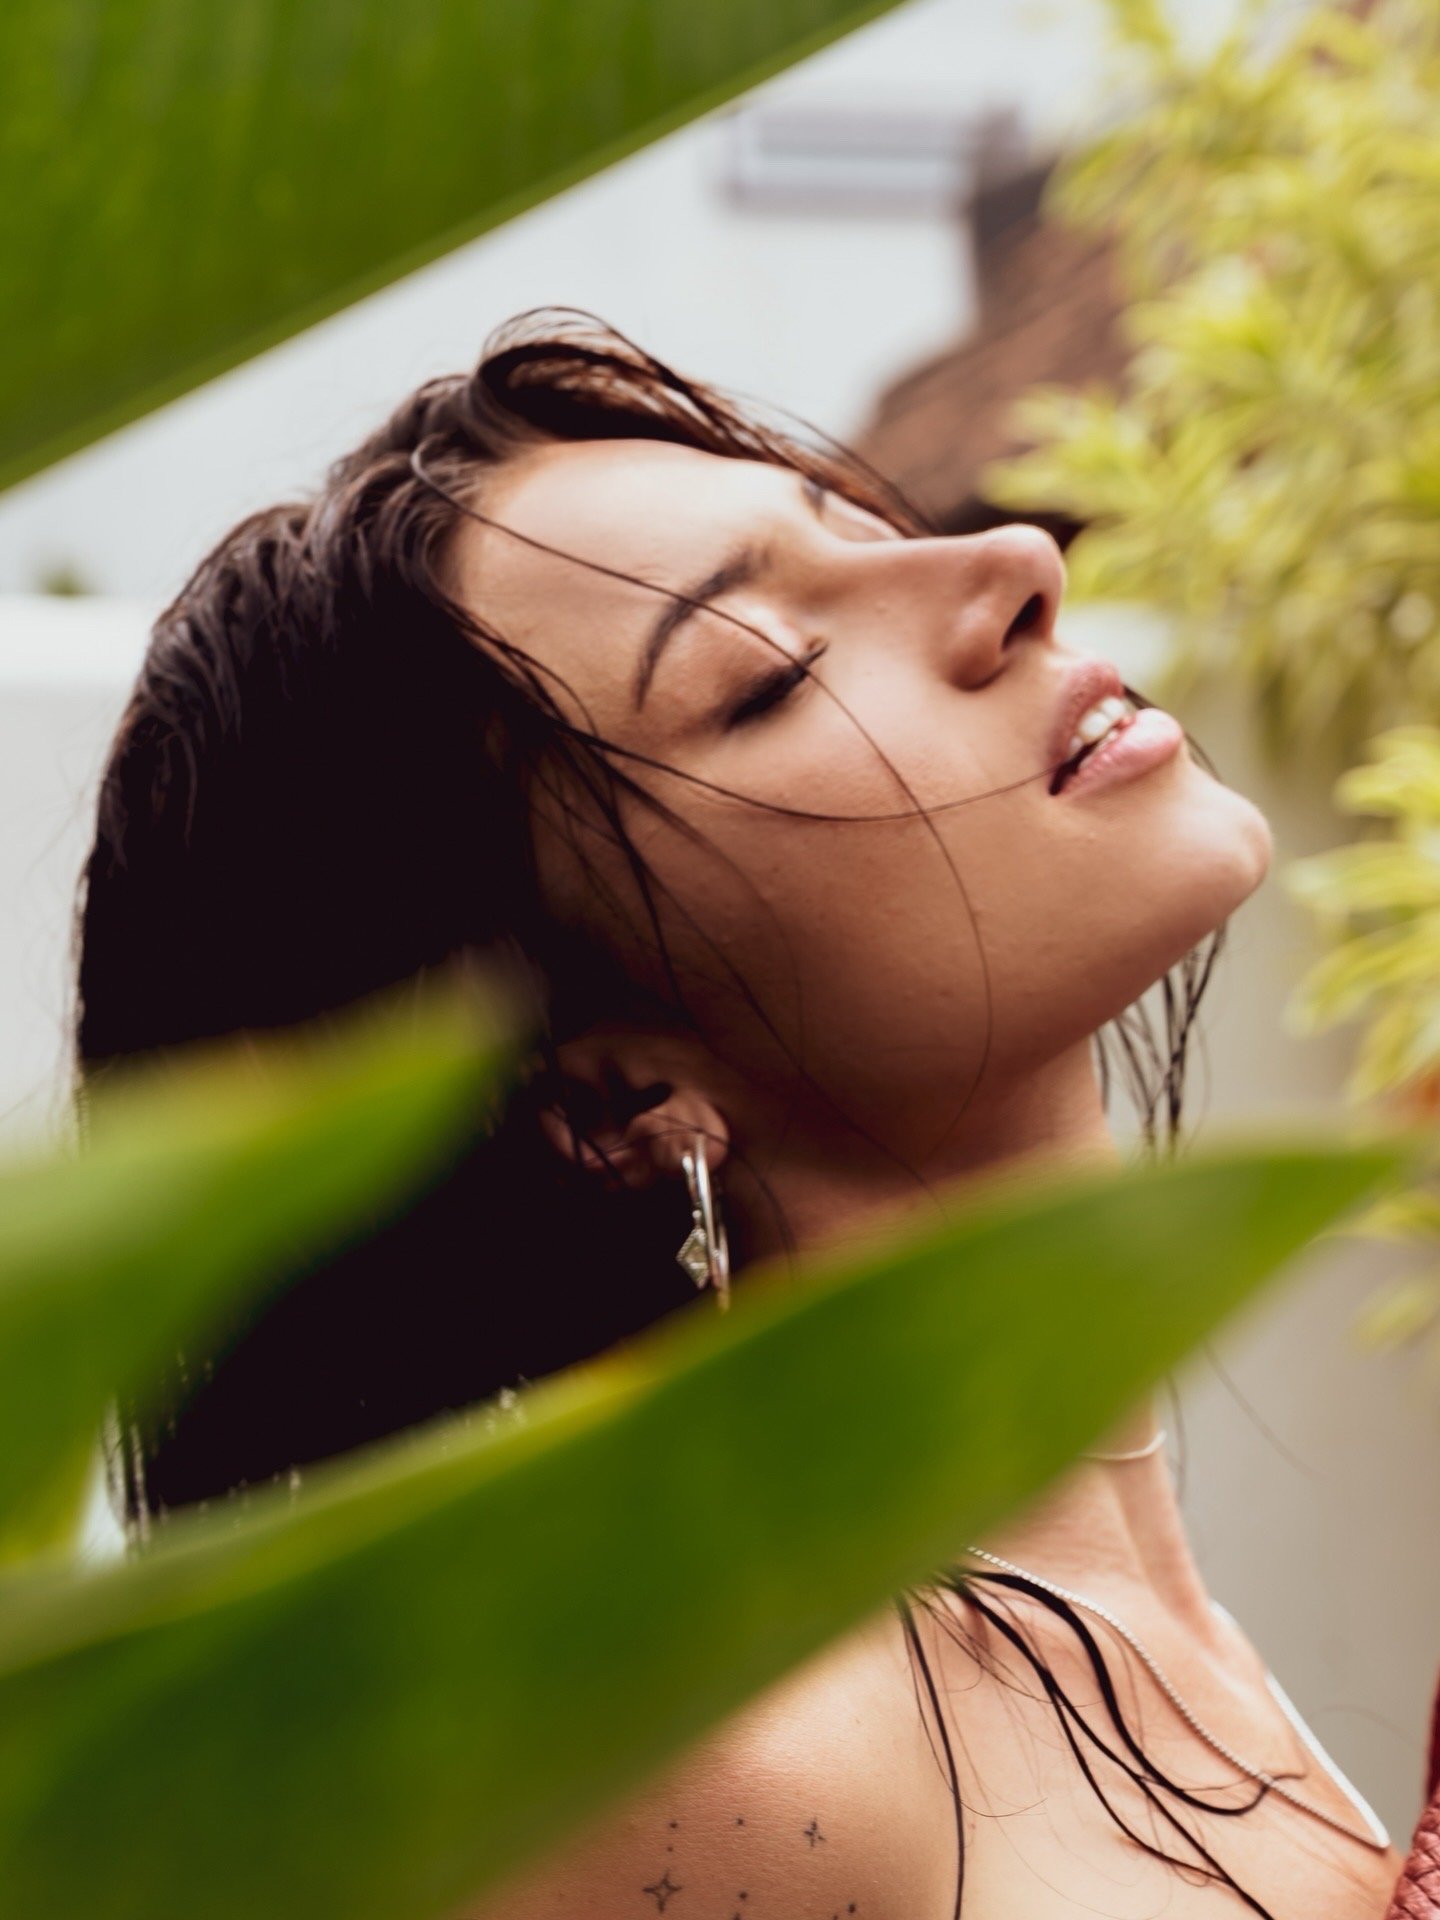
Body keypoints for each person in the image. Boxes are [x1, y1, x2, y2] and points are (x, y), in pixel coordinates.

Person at [71, 309, 1404, 1918]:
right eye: (767, 676)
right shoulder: (741, 1771)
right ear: (613, 1095)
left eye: (859, 524)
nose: (1006, 565)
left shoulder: (1079, 1632)